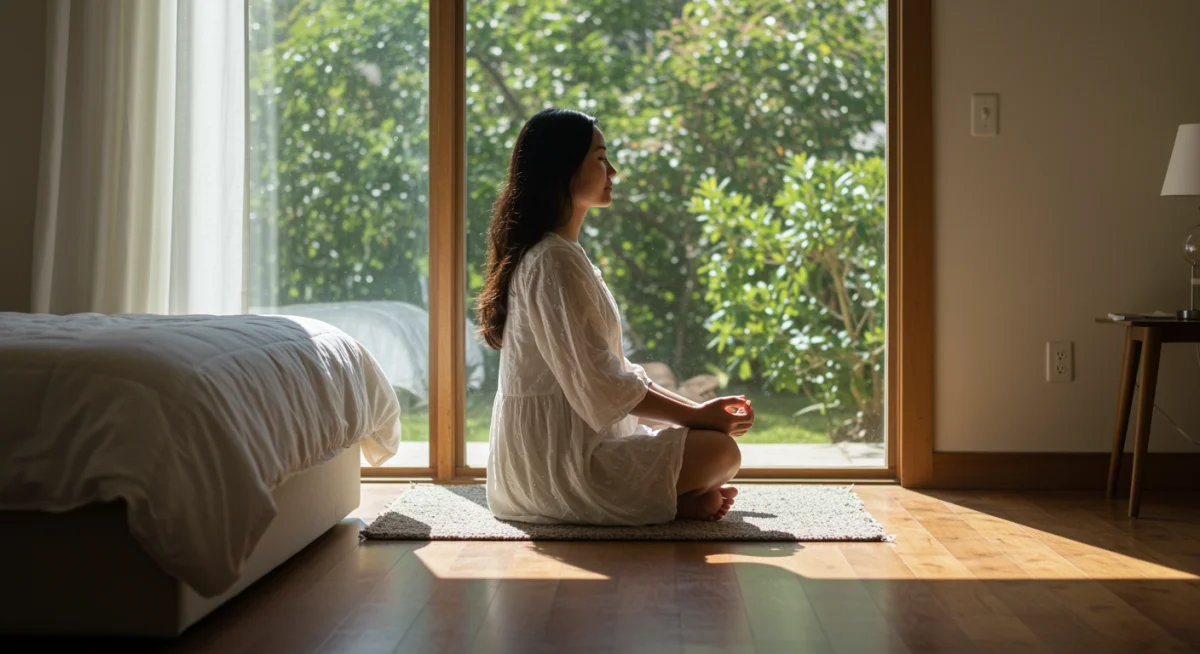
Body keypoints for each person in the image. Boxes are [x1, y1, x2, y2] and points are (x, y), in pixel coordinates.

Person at [474, 108, 754, 526]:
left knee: (711, 445)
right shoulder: (553, 261)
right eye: (600, 158)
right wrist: (697, 417)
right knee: (721, 452)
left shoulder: (560, 255)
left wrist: (698, 409)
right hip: (556, 469)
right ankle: (668, 501)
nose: (613, 170)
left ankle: (675, 503)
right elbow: (603, 386)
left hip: (558, 454)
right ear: (563, 169)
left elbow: (613, 372)